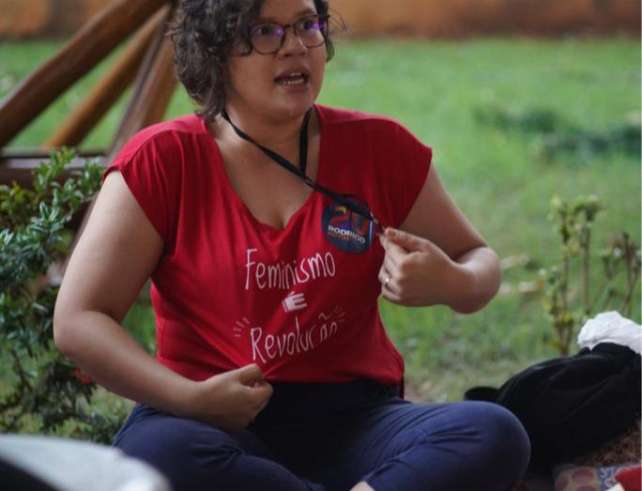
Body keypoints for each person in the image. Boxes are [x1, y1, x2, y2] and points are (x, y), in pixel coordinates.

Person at [53, 0, 531, 490]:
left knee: (493, 433)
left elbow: (479, 260)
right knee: (156, 459)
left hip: (355, 422)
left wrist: (454, 280)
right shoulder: (162, 160)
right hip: (208, 417)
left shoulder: (379, 148)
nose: (296, 46)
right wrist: (190, 398)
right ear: (215, 50)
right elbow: (78, 319)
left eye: (307, 24)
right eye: (265, 31)